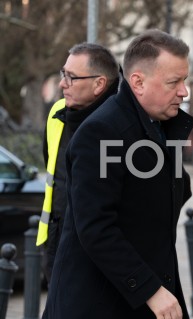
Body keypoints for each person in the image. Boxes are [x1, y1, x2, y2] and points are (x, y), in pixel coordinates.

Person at [42, 30, 193, 319]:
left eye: (184, 80)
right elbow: (96, 228)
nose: (184, 91)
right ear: (137, 82)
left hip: (139, 294)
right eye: (174, 82)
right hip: (99, 303)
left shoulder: (158, 126)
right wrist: (151, 289)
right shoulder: (102, 131)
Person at [36, 43, 120, 283]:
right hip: (55, 242)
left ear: (99, 84)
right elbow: (54, 173)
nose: (63, 84)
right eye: (64, 74)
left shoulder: (121, 122)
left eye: (71, 77)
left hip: (96, 250)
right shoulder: (57, 113)